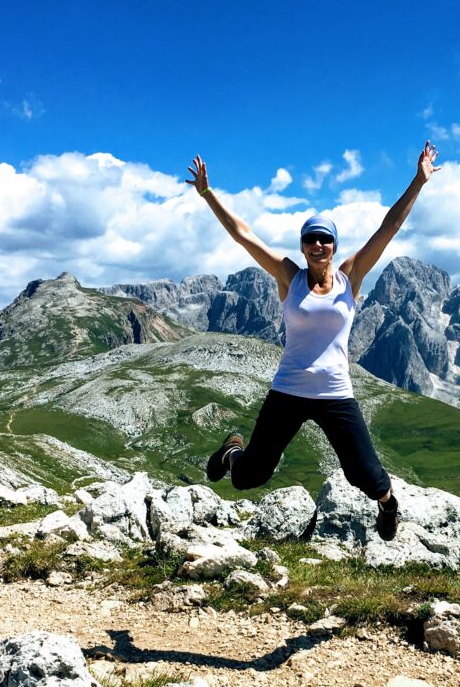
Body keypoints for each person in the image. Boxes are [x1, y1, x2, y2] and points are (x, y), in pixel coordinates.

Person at [186, 142, 441, 541]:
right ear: (303, 246)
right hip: (288, 388)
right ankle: (231, 452)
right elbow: (243, 236)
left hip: (335, 392)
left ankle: (389, 506)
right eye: (310, 239)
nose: (318, 245)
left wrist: (418, 181)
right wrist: (207, 194)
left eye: (325, 239)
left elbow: (388, 228)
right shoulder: (289, 277)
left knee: (366, 475)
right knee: (248, 478)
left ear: (334, 246)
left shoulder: (350, 277)